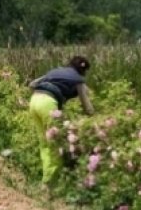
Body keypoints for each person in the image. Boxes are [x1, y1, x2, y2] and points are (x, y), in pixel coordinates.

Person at [27, 56, 95, 184]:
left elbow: (32, 84)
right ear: (83, 71)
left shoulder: (55, 72)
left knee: (44, 143)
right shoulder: (78, 80)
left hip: (34, 101)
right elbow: (88, 108)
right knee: (55, 145)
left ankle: (46, 178)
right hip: (48, 104)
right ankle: (50, 184)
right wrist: (94, 119)